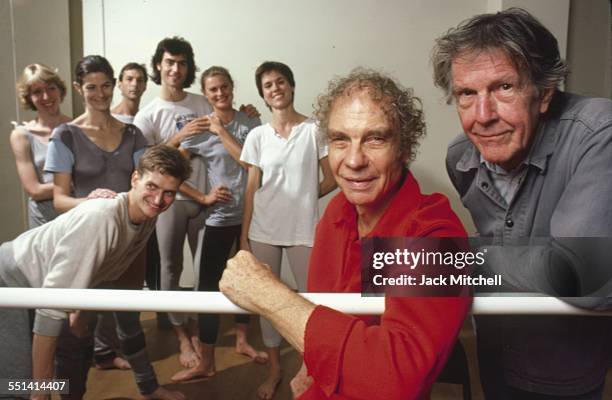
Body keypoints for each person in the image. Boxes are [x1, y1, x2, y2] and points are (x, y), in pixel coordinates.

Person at [220, 69, 472, 399]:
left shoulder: (434, 233)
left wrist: (271, 297)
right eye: (340, 140)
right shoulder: (337, 213)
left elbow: (396, 380)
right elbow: (329, 316)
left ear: (405, 148)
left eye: (375, 139)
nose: (353, 160)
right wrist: (308, 365)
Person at [433, 8, 612, 399]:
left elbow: (586, 274)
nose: (483, 116)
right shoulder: (460, 156)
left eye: (504, 88)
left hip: (567, 366)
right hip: (496, 350)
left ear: (544, 92)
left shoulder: (599, 130)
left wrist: (433, 264)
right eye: (467, 94)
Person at [0, 145, 190, 400]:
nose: (158, 200)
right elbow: (51, 307)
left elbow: (107, 273)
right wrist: (40, 391)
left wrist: (82, 311)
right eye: (152, 187)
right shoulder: (102, 219)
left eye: (169, 193)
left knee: (75, 361)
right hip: (11, 280)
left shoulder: (147, 216)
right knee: (18, 385)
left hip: (46, 286)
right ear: (135, 178)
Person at [44, 55, 179, 400]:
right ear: (78, 88)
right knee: (76, 325)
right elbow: (59, 199)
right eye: (91, 87)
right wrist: (97, 204)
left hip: (130, 242)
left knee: (129, 319)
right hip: (87, 242)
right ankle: (65, 394)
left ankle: (148, 387)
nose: (100, 93)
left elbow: (149, 186)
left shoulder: (133, 134)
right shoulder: (66, 135)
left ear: (114, 84)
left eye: (106, 85)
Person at [134, 36, 259, 369]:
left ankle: (213, 340)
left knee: (209, 274)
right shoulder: (148, 114)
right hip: (171, 203)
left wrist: (249, 112)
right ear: (158, 65)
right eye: (169, 62)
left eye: (182, 63)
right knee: (171, 269)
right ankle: (183, 339)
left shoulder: (202, 101)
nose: (175, 69)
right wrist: (178, 136)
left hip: (209, 204)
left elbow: (227, 115)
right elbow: (148, 162)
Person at [238, 61, 336, 399]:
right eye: (267, 85)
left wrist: (305, 198)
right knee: (269, 301)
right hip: (263, 228)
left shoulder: (314, 130)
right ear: (263, 94)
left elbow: (332, 177)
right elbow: (251, 189)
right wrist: (243, 237)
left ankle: (309, 367)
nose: (275, 88)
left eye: (280, 82)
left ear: (291, 86)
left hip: (302, 229)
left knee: (309, 301)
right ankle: (276, 368)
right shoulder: (257, 136)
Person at [170, 66, 267, 382]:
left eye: (224, 87)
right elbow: (173, 169)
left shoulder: (250, 122)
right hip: (220, 219)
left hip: (252, 220)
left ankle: (242, 341)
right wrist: (202, 196)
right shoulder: (198, 129)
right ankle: (207, 362)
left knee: (248, 283)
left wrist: (222, 131)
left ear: (232, 87)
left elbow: (252, 164)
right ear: (206, 93)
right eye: (213, 90)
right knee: (207, 289)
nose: (220, 93)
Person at [10, 64, 70, 228]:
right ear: (28, 97)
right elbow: (34, 190)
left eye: (51, 88)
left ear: (59, 90)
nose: (46, 96)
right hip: (42, 221)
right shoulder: (21, 136)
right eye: (37, 92)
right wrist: (73, 183)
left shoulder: (77, 128)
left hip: (74, 217)